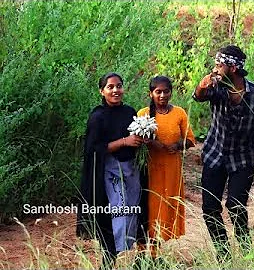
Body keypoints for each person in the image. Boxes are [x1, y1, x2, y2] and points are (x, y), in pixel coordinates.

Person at [193, 45, 254, 261]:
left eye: (218, 65)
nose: (215, 69)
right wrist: (204, 84)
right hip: (214, 155)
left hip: (243, 159)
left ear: (232, 68)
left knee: (235, 205)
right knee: (210, 208)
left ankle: (246, 251)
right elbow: (198, 95)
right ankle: (223, 255)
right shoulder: (216, 87)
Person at [77, 72, 143, 269]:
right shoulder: (97, 116)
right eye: (110, 87)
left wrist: (142, 140)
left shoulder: (130, 111)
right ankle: (107, 262)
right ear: (102, 91)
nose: (116, 90)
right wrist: (124, 142)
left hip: (130, 172)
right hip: (107, 175)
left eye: (119, 86)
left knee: (132, 213)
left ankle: (136, 257)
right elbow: (93, 149)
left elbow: (136, 139)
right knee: (110, 217)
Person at [137, 76, 195, 250]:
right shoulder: (143, 114)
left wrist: (177, 145)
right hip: (150, 167)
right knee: (149, 206)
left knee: (165, 205)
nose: (162, 95)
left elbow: (190, 139)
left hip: (171, 168)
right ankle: (142, 253)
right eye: (158, 92)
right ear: (151, 93)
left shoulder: (179, 113)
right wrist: (152, 142)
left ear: (171, 92)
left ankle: (155, 252)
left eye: (166, 91)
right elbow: (137, 138)